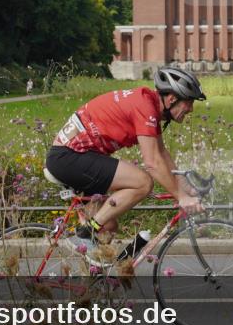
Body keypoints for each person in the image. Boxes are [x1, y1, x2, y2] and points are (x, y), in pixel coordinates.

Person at [45, 68, 206, 255]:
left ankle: (93, 278)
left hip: (75, 157)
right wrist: (182, 198)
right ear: (172, 99)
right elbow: (153, 163)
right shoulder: (145, 108)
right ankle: (86, 232)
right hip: (69, 156)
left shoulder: (148, 105)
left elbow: (162, 153)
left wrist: (187, 188)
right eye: (189, 102)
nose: (191, 109)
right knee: (143, 182)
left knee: (108, 227)